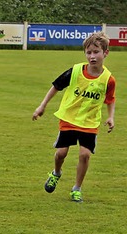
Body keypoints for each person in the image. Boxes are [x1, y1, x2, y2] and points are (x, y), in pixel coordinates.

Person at [33, 31, 116, 203]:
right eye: (89, 52)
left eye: (96, 52)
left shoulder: (108, 79)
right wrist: (42, 106)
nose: (92, 56)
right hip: (69, 118)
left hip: (90, 122)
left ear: (105, 53)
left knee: (85, 155)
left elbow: (110, 99)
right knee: (61, 154)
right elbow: (56, 86)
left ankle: (76, 189)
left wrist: (111, 117)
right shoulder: (76, 71)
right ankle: (56, 173)